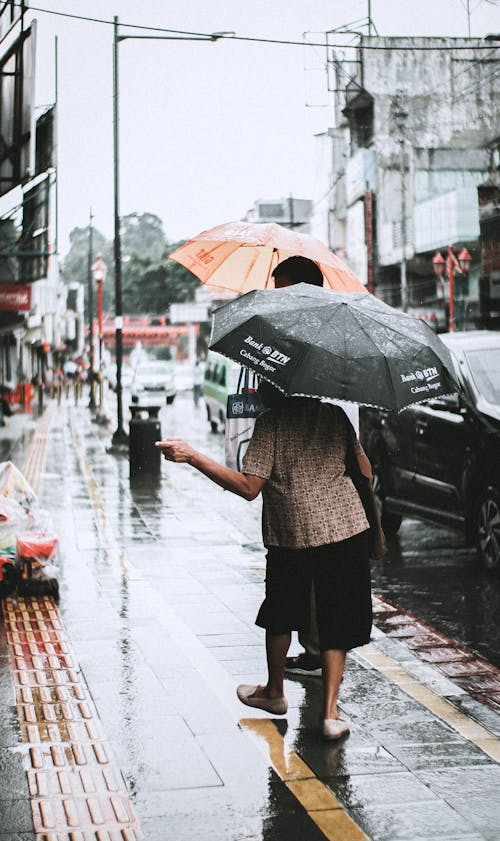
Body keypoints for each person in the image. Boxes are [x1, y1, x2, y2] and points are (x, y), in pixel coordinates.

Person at [156, 397, 373, 740]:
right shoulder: (335, 415)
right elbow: (365, 472)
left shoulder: (272, 421)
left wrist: (192, 456)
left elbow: (248, 487)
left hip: (292, 531)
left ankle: (274, 692)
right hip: (345, 529)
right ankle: (330, 715)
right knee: (336, 621)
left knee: (281, 612)